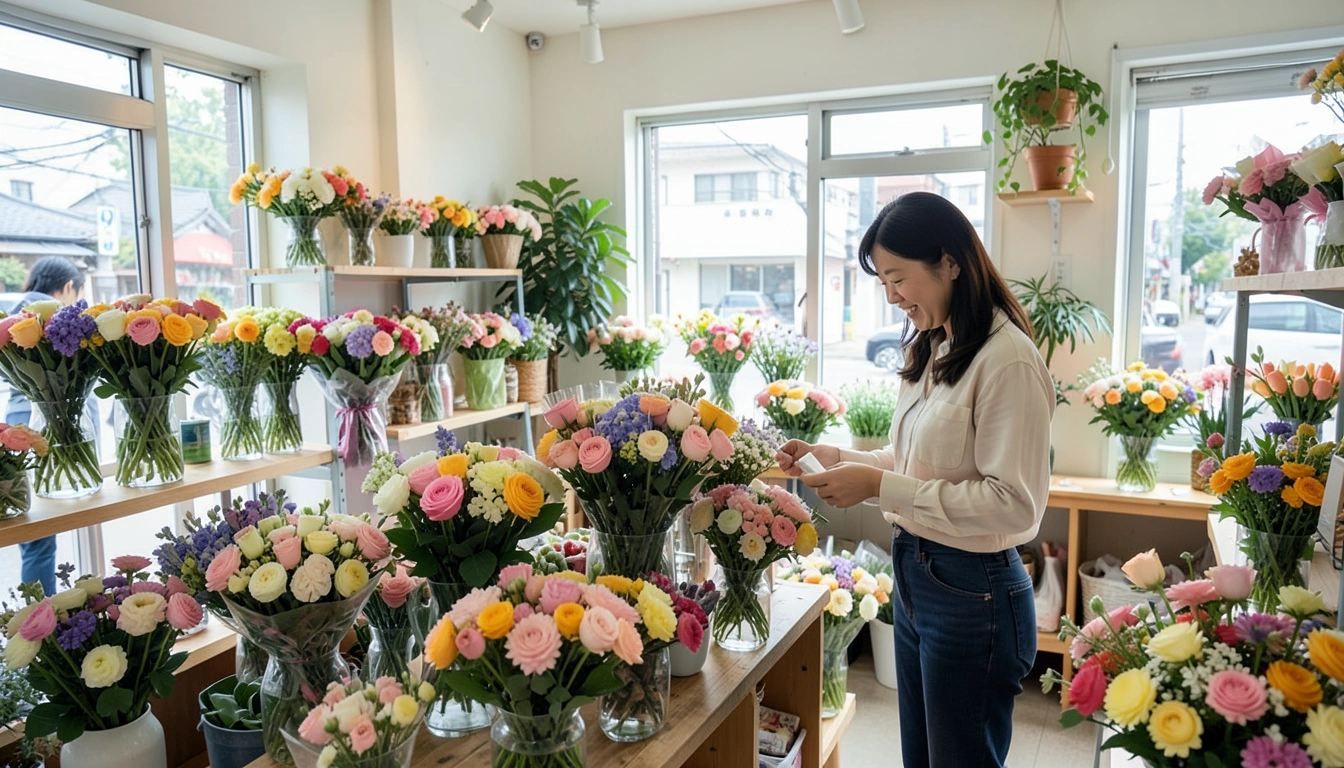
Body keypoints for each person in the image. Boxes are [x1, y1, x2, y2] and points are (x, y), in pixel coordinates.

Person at [777, 193, 1054, 768]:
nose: (892, 296)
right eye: (883, 283)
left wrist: (879, 488)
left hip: (972, 592)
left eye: (899, 278)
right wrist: (839, 457)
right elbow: (916, 459)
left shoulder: (1007, 360)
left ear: (950, 262)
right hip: (918, 575)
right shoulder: (936, 344)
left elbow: (1015, 506)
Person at [7, 257, 88, 596]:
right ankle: (43, 621)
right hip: (45, 425)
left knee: (33, 532)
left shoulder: (12, 317)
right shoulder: (53, 315)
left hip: (16, 427)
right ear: (69, 287)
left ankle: (36, 621)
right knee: (41, 534)